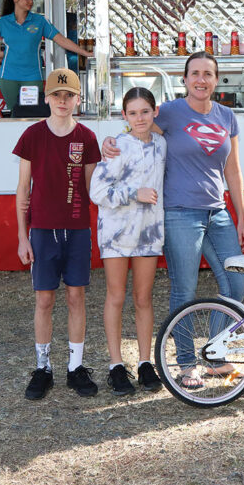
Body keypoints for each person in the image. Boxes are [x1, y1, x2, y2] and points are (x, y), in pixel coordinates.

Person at [101, 51, 244, 391]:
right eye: (195, 73)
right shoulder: (168, 112)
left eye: (208, 74)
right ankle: (186, 364)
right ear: (185, 79)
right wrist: (112, 141)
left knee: (237, 284)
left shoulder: (228, 117)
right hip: (180, 213)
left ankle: (215, 351)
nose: (201, 79)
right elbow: (138, 133)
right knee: (184, 290)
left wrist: (240, 217)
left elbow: (234, 170)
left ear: (216, 79)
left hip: (219, 213)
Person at [13, 68, 101, 400]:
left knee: (77, 297)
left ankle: (75, 368)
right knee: (45, 299)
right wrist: (23, 236)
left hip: (78, 229)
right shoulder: (32, 136)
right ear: (46, 98)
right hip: (43, 231)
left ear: (78, 99)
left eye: (69, 96)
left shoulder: (88, 138)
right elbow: (23, 191)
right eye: (56, 95)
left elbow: (95, 189)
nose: (62, 101)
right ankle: (42, 368)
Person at [89, 87, 166, 395]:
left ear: (154, 112)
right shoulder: (118, 146)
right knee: (116, 296)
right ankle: (116, 365)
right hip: (116, 233)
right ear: (124, 116)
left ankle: (146, 362)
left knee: (143, 298)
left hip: (149, 232)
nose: (139, 118)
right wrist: (133, 194)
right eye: (132, 113)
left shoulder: (162, 144)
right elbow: (97, 192)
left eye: (145, 112)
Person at [0, 0, 93, 111]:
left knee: (31, 113)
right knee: (14, 114)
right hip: (9, 77)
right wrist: (0, 54)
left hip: (32, 77)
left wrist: (85, 53)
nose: (30, 1)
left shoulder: (40, 21)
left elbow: (61, 40)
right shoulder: (3, 22)